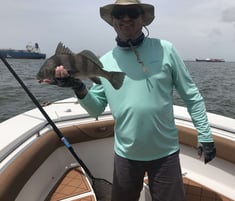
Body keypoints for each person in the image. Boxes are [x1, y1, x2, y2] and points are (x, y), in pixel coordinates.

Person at [54, 0, 216, 200]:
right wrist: (78, 87)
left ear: (143, 18)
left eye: (132, 12)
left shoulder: (166, 49)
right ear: (113, 20)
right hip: (126, 155)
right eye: (120, 13)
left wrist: (205, 136)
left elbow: (192, 96)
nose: (126, 18)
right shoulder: (104, 61)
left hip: (166, 154)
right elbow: (96, 108)